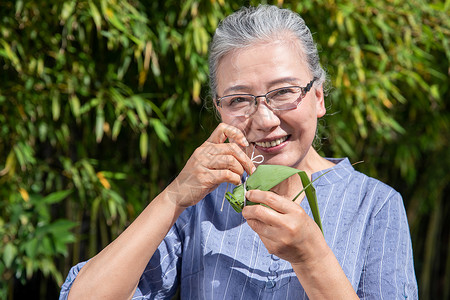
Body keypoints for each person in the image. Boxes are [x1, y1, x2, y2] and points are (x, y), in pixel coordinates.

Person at [60, 5, 417, 299]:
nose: (263, 119)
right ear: (219, 111)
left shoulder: (374, 205)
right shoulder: (201, 202)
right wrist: (173, 198)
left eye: (283, 92)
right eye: (239, 100)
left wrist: (312, 257)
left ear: (318, 97)